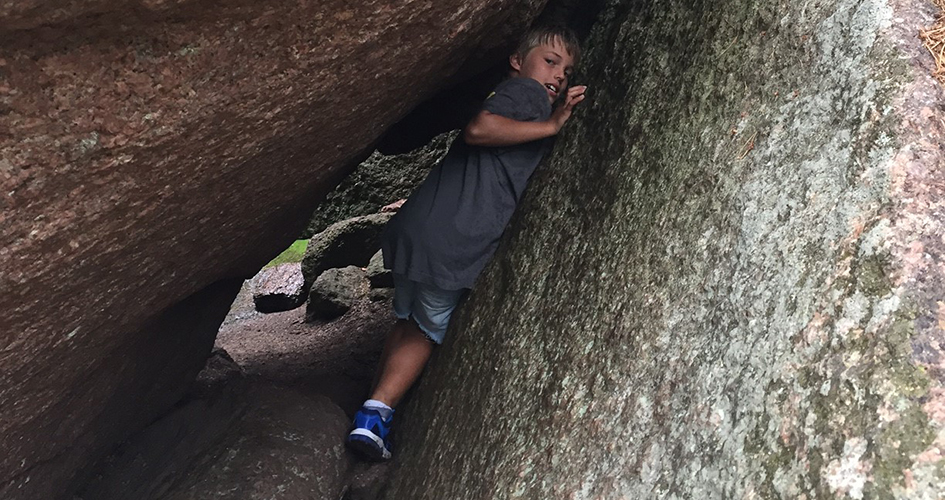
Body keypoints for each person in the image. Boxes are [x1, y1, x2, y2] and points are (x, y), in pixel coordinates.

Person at [346, 25, 586, 461]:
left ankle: (371, 402)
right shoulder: (527, 95)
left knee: (406, 317)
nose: (558, 77)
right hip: (453, 241)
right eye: (550, 61)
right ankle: (375, 416)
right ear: (518, 61)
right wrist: (552, 126)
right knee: (426, 330)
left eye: (567, 72)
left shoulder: (509, 91)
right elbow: (480, 129)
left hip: (419, 228)